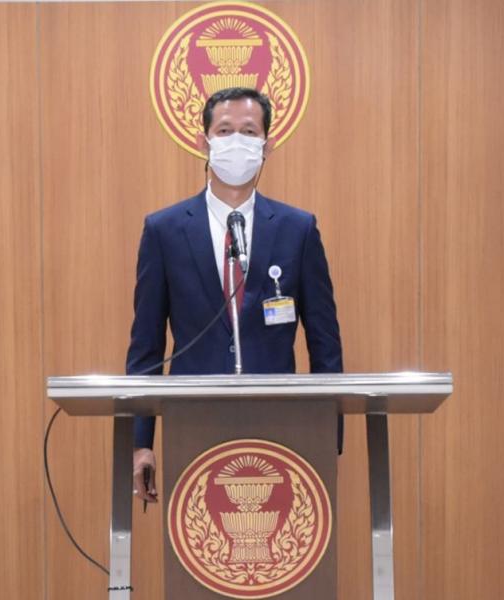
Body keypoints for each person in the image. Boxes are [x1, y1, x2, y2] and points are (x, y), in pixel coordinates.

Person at [126, 87, 343, 503]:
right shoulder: (164, 230)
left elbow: (325, 343)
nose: (237, 141)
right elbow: (146, 346)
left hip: (282, 429)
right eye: (225, 131)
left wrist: (327, 437)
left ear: (267, 146)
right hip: (191, 425)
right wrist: (140, 442)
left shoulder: (298, 229)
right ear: (203, 141)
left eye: (249, 131)